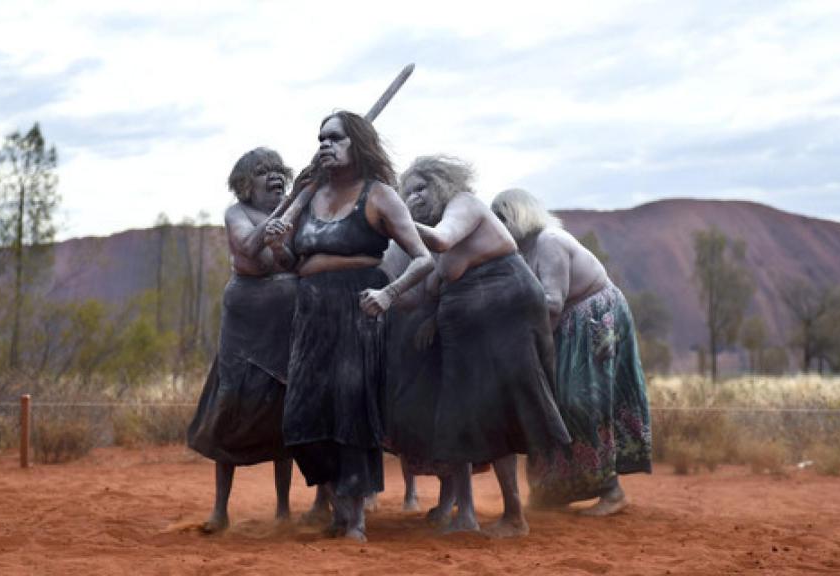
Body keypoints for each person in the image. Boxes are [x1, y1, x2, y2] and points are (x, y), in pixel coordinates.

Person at [265, 111, 433, 542]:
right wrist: (278, 243)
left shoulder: (379, 196)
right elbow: (288, 263)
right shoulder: (309, 195)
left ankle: (353, 519)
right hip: (311, 311)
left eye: (335, 137)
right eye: (320, 138)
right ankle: (339, 505)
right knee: (300, 418)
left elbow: (422, 258)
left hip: (359, 308)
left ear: (357, 143)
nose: (325, 144)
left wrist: (388, 295)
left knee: (351, 414)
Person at [397, 155, 571, 536]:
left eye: (422, 187)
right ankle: (467, 515)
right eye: (407, 193)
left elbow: (443, 238)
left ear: (443, 183)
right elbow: (430, 287)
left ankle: (514, 515)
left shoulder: (465, 205)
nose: (414, 197)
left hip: (504, 312)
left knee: (501, 410)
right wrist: (386, 296)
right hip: (463, 322)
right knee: (459, 415)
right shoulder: (430, 239)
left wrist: (394, 216)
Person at [491, 188, 652, 516]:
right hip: (563, 325)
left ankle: (611, 492)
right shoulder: (519, 251)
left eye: (502, 217)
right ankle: (557, 491)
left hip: (591, 318)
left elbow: (552, 301)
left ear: (519, 215)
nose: (497, 224)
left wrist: (522, 339)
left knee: (582, 400)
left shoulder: (549, 241)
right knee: (552, 403)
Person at [186, 147, 299, 533]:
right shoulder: (236, 213)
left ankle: (284, 510)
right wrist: (268, 232)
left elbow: (291, 260)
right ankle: (221, 509)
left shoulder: (294, 211)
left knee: (281, 411)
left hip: (284, 325)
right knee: (232, 405)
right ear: (245, 185)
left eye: (278, 172)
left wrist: (284, 236)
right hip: (245, 324)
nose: (274, 178)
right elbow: (248, 247)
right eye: (264, 172)